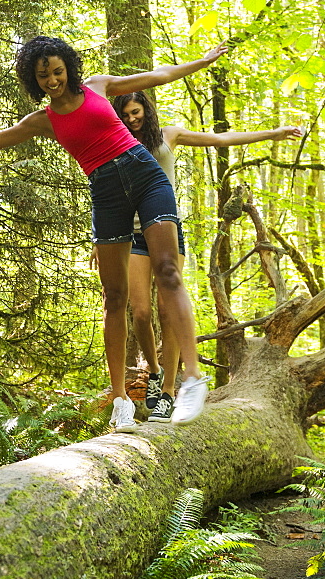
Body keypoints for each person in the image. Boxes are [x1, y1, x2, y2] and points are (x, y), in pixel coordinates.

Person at [0, 36, 229, 433]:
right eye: (43, 75)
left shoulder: (99, 87)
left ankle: (191, 379)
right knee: (114, 296)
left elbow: (159, 75)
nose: (52, 80)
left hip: (144, 173)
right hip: (105, 190)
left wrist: (202, 62)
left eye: (57, 71)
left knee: (168, 271)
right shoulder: (43, 121)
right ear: (33, 80)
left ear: (68, 66)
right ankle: (121, 398)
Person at [110, 90, 302, 423]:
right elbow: (110, 195)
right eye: (125, 115)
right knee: (139, 312)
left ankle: (169, 392)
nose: (132, 120)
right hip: (132, 233)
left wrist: (273, 133)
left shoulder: (169, 135)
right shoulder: (115, 143)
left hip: (166, 229)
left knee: (169, 312)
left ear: (146, 110)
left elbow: (220, 138)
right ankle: (154, 372)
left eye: (136, 112)